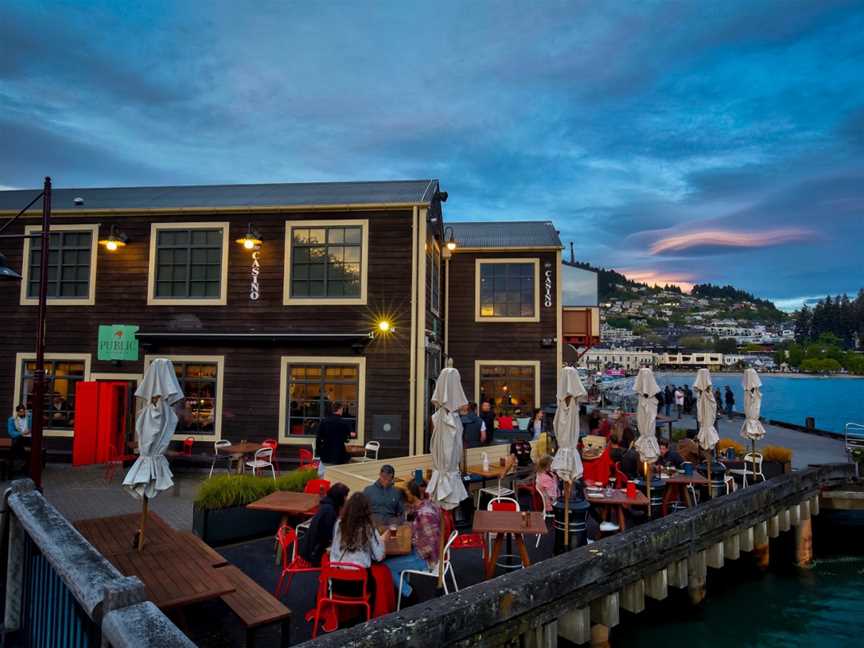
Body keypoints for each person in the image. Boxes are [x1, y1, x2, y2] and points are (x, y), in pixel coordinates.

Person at [384, 478, 442, 600]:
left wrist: (409, 543)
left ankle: (409, 594)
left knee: (386, 566)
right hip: (426, 552)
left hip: (426, 558)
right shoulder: (427, 505)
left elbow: (431, 543)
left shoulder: (424, 515)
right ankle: (403, 588)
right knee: (395, 558)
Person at [330, 493, 386, 598]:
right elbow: (379, 557)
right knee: (375, 583)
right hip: (359, 586)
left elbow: (334, 549)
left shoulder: (339, 524)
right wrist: (381, 540)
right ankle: (366, 612)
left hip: (337, 583)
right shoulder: (368, 528)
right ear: (366, 510)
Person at [297, 483, 350, 566]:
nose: (346, 499)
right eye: (345, 496)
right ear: (339, 497)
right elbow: (328, 537)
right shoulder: (329, 511)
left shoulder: (327, 505)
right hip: (314, 555)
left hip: (311, 549)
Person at [316, 402, 352, 467]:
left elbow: (318, 438)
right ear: (339, 409)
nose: (342, 411)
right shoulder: (344, 423)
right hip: (338, 455)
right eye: (342, 409)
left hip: (325, 454)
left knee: (324, 474)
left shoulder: (324, 421)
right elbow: (346, 439)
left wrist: (318, 452)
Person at [6, 404, 31, 476]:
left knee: (14, 448)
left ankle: (15, 466)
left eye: (23, 411)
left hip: (28, 438)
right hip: (18, 439)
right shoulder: (12, 419)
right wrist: (21, 433)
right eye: (20, 412)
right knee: (19, 441)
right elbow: (11, 433)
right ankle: (25, 465)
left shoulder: (29, 417)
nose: (22, 413)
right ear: (17, 412)